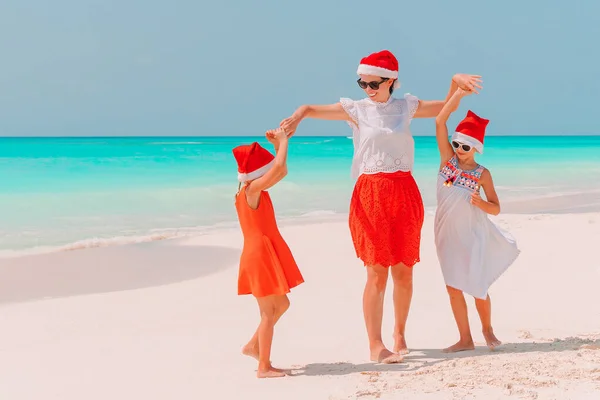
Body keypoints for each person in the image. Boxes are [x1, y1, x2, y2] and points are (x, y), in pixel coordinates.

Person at [279, 49, 482, 363]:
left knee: (404, 272)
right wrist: (298, 114)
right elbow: (312, 109)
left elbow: (444, 109)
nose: (369, 89)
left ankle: (399, 333)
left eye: (374, 83)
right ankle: (375, 344)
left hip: (405, 192)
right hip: (370, 194)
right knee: (376, 273)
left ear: (392, 81)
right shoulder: (356, 110)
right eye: (363, 83)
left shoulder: (406, 107)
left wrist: (456, 83)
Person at [433, 88, 520, 353]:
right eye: (457, 144)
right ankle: (465, 338)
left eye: (465, 146)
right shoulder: (447, 161)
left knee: (477, 285)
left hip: (472, 235)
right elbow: (439, 122)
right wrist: (456, 97)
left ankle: (487, 329)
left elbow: (496, 208)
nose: (459, 150)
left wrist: (481, 203)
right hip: (445, 234)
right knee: (453, 288)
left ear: (477, 148)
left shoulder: (483, 174)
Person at [232, 128, 305, 378]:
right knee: (267, 312)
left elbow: (278, 170)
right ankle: (263, 366)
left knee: (282, 303)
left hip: (263, 250)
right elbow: (281, 169)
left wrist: (277, 147)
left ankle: (253, 346)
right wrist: (283, 142)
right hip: (259, 255)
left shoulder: (252, 190)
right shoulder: (252, 191)